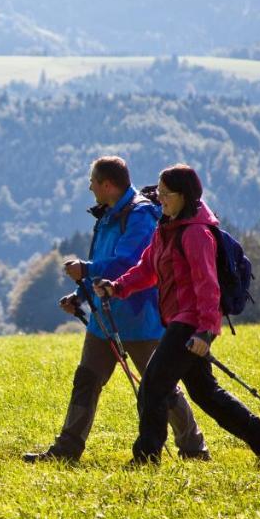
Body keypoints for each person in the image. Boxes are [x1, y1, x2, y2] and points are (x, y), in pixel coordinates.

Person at [95, 163, 260, 466]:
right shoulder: (166, 228)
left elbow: (208, 288)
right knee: (205, 393)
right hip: (177, 321)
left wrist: (205, 333)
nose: (160, 199)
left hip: (190, 324)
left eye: (166, 194)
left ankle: (146, 458)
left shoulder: (196, 234)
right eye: (158, 193)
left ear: (185, 195)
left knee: (153, 385)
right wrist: (117, 287)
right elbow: (148, 269)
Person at [23, 156, 209, 463]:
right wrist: (80, 295)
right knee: (87, 379)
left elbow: (130, 263)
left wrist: (86, 269)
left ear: (108, 185)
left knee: (160, 385)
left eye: (93, 182)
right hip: (104, 317)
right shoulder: (109, 215)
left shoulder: (140, 215)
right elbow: (104, 266)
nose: (90, 187)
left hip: (139, 317)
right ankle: (67, 449)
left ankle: (193, 447)